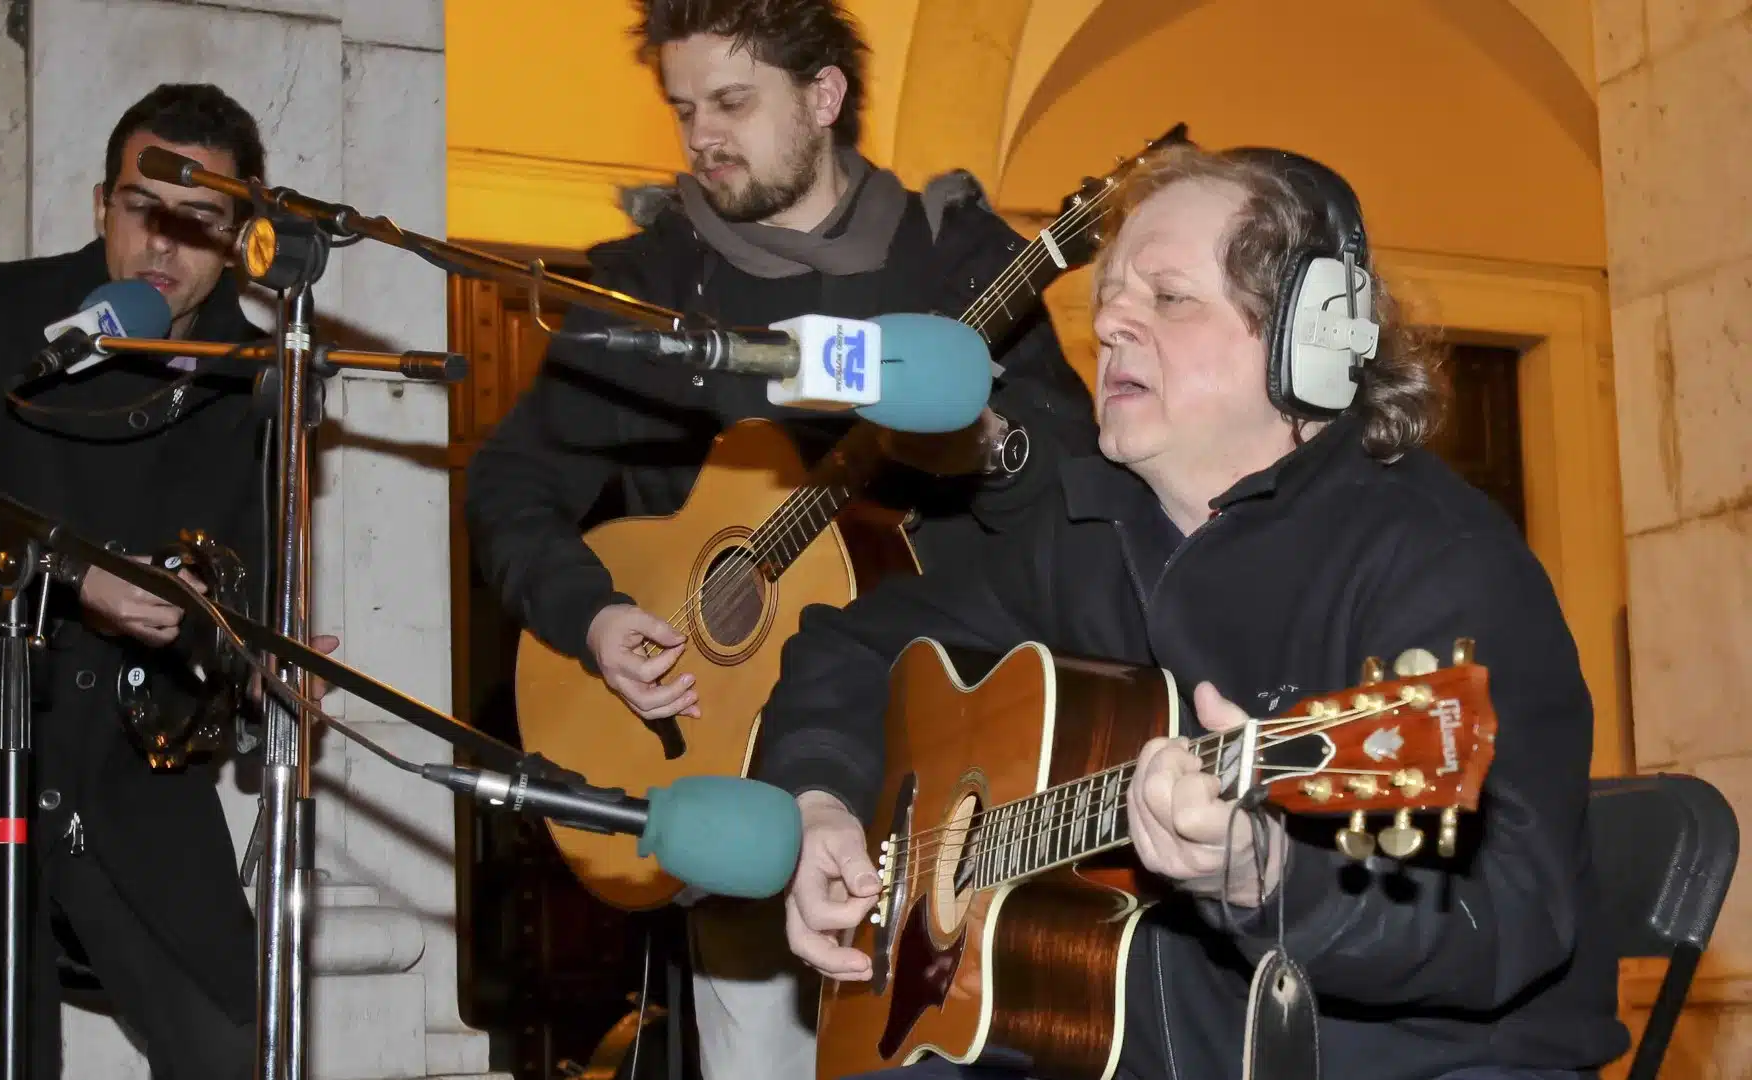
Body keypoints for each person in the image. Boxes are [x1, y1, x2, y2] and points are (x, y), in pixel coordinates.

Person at [754, 144, 1631, 1080]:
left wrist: (1269, 880)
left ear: (1308, 340)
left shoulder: (1438, 566)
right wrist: (817, 803)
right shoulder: (1083, 530)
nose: (1113, 322)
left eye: (1168, 297)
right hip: (1116, 1044)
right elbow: (849, 646)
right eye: (1111, 296)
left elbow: (1505, 915)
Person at [462, 2, 1097, 1076]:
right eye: (681, 109)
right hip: (741, 755)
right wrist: (596, 613)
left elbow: (1074, 481)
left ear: (823, 97)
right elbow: (510, 483)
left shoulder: (956, 262)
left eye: (731, 102)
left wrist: (990, 444)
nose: (701, 134)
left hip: (950, 759)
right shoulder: (651, 292)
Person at [0, 83, 334, 1080]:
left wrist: (256, 659)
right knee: (2, 1057)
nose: (163, 247)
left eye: (199, 223)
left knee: (235, 1046)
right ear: (100, 202)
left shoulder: (259, 373)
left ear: (240, 233)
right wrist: (73, 586)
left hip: (130, 780)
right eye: (144, 211)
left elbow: (238, 592)